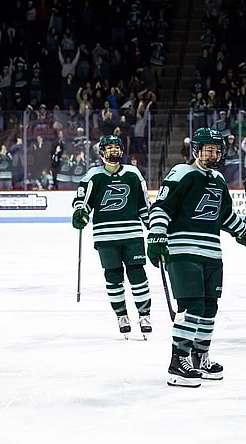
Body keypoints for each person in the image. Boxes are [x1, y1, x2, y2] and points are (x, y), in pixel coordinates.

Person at [148, 127, 246, 388]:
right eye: (207, 149)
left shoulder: (219, 180)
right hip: (183, 251)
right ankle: (178, 361)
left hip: (212, 253)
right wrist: (157, 234)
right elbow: (162, 207)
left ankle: (200, 356)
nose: (212, 154)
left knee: (209, 307)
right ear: (196, 150)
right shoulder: (183, 173)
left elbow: (224, 216)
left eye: (216, 149)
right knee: (192, 307)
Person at [71, 135, 153, 339]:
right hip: (105, 236)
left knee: (138, 274)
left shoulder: (133, 174)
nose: (113, 152)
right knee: (113, 276)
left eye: (117, 147)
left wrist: (153, 225)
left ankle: (144, 315)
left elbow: (144, 205)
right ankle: (121, 315)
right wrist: (80, 212)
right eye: (109, 148)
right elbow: (82, 200)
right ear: (101, 152)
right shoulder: (93, 175)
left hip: (132, 234)